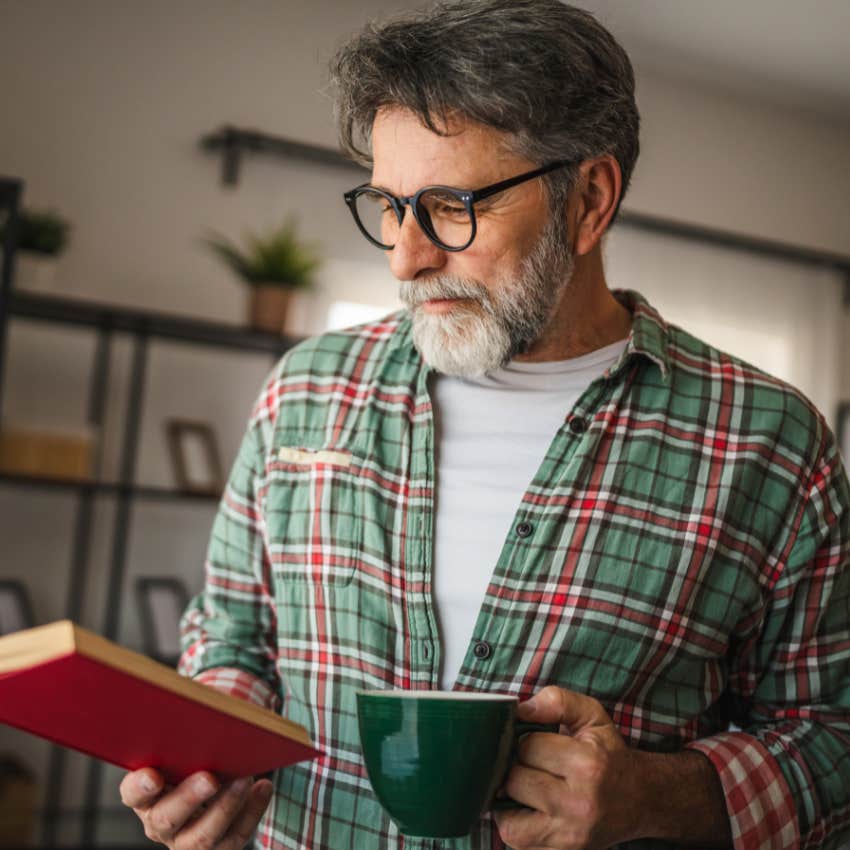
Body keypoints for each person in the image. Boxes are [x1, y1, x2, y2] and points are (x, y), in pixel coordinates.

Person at [119, 1, 850, 848]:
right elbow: (232, 640)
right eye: (389, 205)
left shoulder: (769, 442)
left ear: (590, 200)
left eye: (451, 207)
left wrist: (654, 795)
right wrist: (211, 756)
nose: (405, 255)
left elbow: (831, 730)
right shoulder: (306, 389)